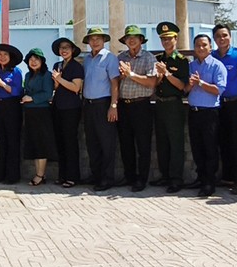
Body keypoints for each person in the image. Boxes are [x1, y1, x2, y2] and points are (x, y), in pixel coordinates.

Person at [211, 24, 237, 195]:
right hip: (217, 104)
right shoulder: (212, 56)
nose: (222, 39)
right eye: (218, 36)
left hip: (236, 104)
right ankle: (227, 176)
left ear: (230, 36)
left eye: (225, 35)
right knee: (222, 141)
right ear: (214, 39)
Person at [115, 25, 157, 192]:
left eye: (135, 37)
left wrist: (131, 74)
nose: (131, 40)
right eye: (128, 37)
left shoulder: (149, 58)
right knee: (126, 144)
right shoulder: (120, 57)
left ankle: (142, 178)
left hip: (141, 105)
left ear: (141, 40)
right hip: (124, 105)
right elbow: (115, 81)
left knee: (143, 144)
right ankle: (129, 175)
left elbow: (152, 82)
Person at [185, 34, 227, 198]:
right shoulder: (191, 65)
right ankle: (200, 177)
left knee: (210, 148)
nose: (201, 48)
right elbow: (186, 90)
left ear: (210, 47)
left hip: (210, 112)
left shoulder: (217, 66)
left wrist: (201, 83)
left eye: (204, 45)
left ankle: (210, 182)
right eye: (197, 45)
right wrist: (190, 83)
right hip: (194, 111)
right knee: (197, 147)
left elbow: (219, 90)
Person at [79, 28, 120, 192]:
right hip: (88, 104)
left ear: (104, 41)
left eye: (98, 39)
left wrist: (113, 105)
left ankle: (107, 178)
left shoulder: (110, 58)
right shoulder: (87, 59)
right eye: (92, 39)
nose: (95, 42)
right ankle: (96, 175)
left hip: (103, 104)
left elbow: (115, 83)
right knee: (92, 142)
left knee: (106, 142)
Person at [152, 22, 189, 194]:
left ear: (176, 39)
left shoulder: (181, 61)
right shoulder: (159, 59)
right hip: (160, 103)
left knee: (175, 143)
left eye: (169, 39)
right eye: (163, 39)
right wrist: (160, 76)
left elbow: (182, 85)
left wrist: (167, 73)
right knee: (162, 142)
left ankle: (176, 178)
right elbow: (155, 83)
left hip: (174, 104)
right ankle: (165, 175)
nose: (166, 42)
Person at [0, 43, 24, 185]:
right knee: (2, 141)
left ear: (10, 57)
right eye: (0, 55)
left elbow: (17, 91)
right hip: (0, 106)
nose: (2, 57)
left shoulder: (16, 72)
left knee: (13, 141)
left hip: (13, 107)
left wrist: (1, 84)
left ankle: (13, 176)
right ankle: (0, 174)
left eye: (5, 55)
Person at [50, 37, 83, 189]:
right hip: (58, 107)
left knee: (70, 142)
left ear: (73, 50)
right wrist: (57, 82)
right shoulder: (57, 65)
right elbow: (56, 87)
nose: (64, 50)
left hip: (71, 108)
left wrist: (60, 79)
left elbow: (76, 87)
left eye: (67, 47)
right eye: (61, 48)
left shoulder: (76, 67)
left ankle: (72, 176)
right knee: (60, 142)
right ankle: (62, 175)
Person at [21, 48, 55, 186]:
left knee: (41, 144)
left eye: (36, 59)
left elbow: (48, 94)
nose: (33, 62)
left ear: (42, 61)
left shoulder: (46, 75)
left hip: (42, 113)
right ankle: (40, 173)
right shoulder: (28, 75)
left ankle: (40, 175)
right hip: (30, 113)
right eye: (31, 59)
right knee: (34, 144)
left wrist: (32, 98)